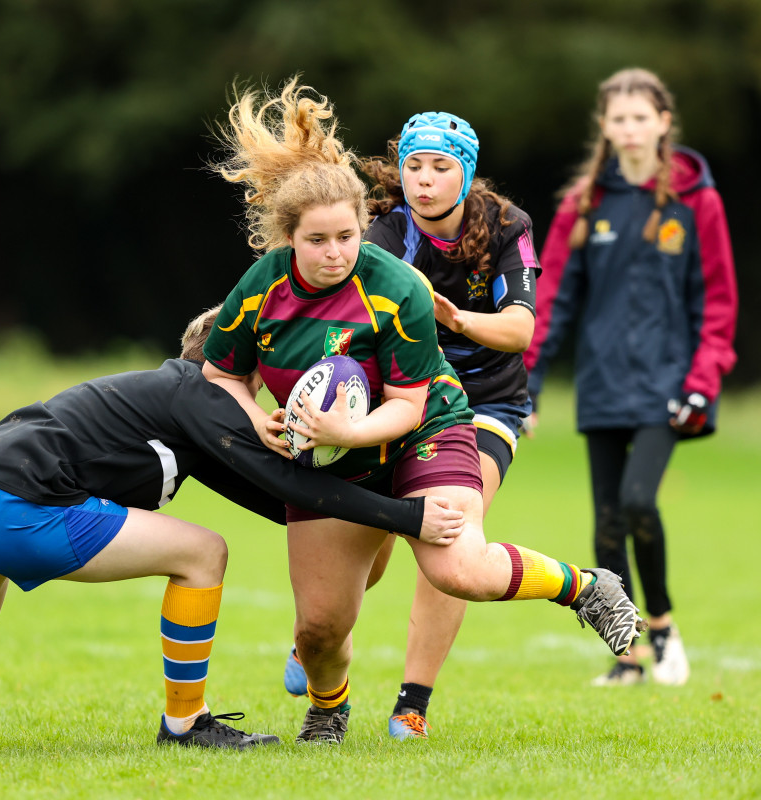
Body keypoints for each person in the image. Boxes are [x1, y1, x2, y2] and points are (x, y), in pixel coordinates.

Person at [0, 307, 469, 753]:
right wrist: (409, 516)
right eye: (259, 377)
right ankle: (185, 726)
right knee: (203, 552)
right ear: (230, 369)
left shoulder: (184, 410)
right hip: (17, 502)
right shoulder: (203, 395)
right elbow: (291, 486)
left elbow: (283, 503)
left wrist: (371, 526)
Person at [201, 76, 646, 745]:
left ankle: (572, 595)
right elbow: (220, 373)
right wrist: (256, 417)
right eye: (318, 241)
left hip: (443, 414)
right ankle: (330, 703)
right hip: (345, 428)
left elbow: (420, 398)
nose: (337, 255)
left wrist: (452, 324)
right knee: (320, 626)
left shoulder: (436, 262)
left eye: (346, 239)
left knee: (455, 562)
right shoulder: (280, 280)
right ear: (289, 238)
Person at [284, 110, 542, 740]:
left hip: (482, 404)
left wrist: (455, 321)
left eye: (441, 167)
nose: (423, 180)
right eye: (413, 166)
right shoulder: (383, 230)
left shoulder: (508, 226)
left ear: (468, 173)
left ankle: (412, 703)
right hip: (393, 396)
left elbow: (521, 329)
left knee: (453, 541)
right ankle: (324, 633)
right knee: (368, 554)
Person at [525, 68, 738, 687]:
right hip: (602, 383)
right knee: (606, 523)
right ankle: (626, 657)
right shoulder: (583, 204)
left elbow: (717, 301)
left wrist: (704, 378)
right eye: (618, 118)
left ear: (663, 123)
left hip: (671, 383)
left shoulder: (699, 201)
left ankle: (664, 624)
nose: (630, 129)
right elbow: (554, 297)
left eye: (641, 117)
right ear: (606, 128)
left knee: (639, 501)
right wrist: (529, 383)